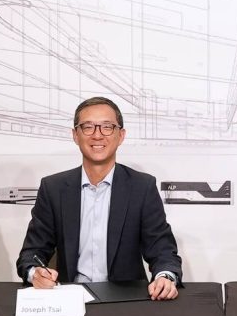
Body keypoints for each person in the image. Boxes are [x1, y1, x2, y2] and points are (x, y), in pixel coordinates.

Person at [16, 96, 182, 300]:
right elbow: (31, 253)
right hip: (70, 299)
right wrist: (35, 273)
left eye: (107, 127)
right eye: (88, 127)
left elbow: (162, 249)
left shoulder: (142, 187)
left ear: (121, 135)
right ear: (75, 135)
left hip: (127, 301)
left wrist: (165, 276)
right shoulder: (53, 188)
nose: (97, 135)